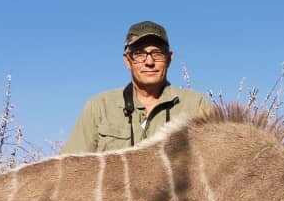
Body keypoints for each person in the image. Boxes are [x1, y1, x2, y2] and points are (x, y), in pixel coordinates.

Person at [61, 21, 213, 153]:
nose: (149, 62)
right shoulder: (99, 107)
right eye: (140, 54)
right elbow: (68, 169)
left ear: (169, 59)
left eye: (157, 53)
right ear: (128, 60)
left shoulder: (196, 105)